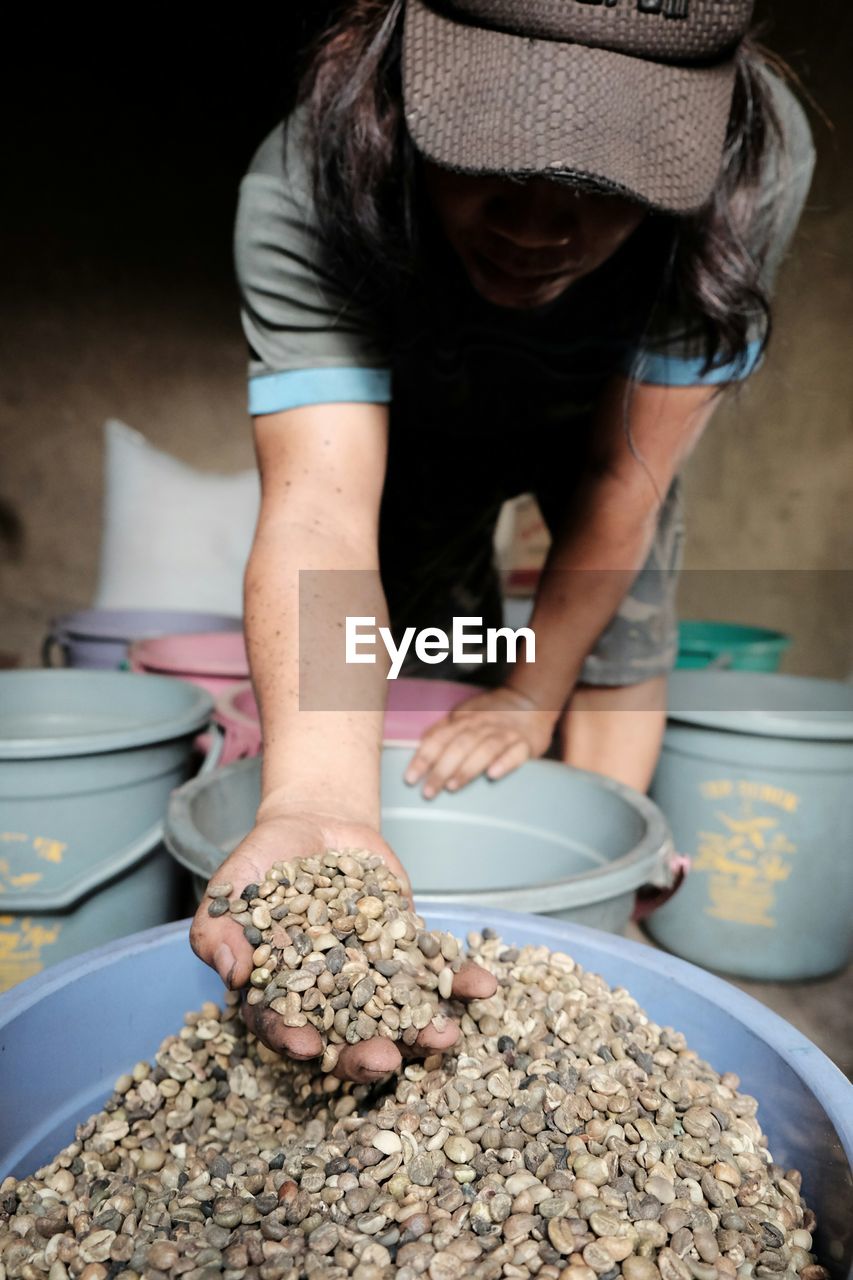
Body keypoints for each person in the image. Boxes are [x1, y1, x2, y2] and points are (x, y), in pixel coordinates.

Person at [191, 0, 815, 1079]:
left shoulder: (756, 158)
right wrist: (315, 801)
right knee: (431, 652)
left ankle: (601, 957)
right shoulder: (303, 182)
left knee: (614, 632)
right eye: (485, 156)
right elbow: (322, 507)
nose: (536, 226)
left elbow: (627, 480)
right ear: (396, 85)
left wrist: (537, 694)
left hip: (604, 418)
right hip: (410, 421)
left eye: (609, 185)